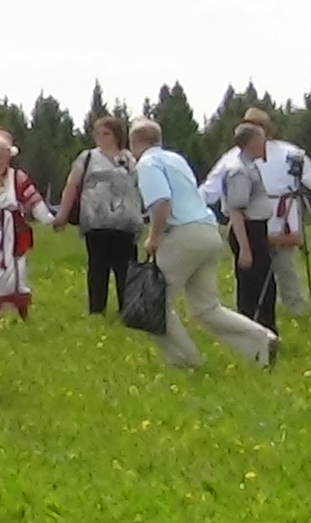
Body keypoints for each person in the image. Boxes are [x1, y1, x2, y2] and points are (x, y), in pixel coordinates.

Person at [132, 117, 276, 370]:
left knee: (152, 303)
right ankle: (260, 339)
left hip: (183, 234)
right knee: (206, 308)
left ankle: (185, 361)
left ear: (135, 142)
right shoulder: (175, 159)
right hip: (209, 232)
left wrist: (154, 237)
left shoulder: (147, 163)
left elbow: (161, 202)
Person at [202, 108, 309, 319]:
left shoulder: (289, 152)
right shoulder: (233, 160)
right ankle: (251, 316)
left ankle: (295, 310)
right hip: (247, 219)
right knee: (253, 274)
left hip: (281, 215)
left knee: (284, 267)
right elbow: (211, 188)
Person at [52, 116, 142, 316]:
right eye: (97, 133)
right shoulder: (88, 157)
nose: (101, 137)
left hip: (126, 223)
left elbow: (140, 187)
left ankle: (128, 311)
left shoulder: (130, 159)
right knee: (98, 267)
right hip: (96, 222)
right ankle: (96, 310)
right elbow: (72, 185)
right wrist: (62, 214)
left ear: (117, 135)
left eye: (106, 133)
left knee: (126, 269)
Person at [0, 130, 54, 323]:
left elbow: (33, 198)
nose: (1, 158)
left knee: (17, 269)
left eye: (4, 154)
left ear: (9, 156)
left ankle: (23, 314)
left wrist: (48, 218)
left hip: (12, 230)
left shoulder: (18, 177)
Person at [222, 121, 278, 332]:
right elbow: (236, 211)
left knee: (266, 285)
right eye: (261, 140)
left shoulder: (251, 166)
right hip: (247, 231)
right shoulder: (239, 170)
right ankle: (252, 331)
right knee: (252, 287)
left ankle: (267, 330)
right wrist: (245, 249)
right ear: (250, 143)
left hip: (257, 230)